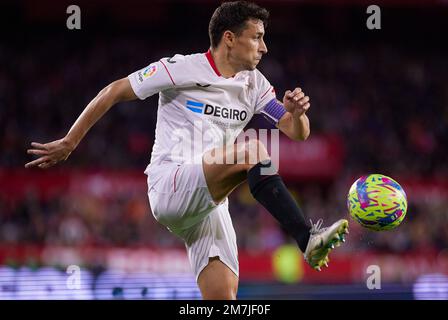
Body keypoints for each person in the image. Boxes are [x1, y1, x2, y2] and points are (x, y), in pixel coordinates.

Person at [25, 1, 349, 300]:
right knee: (251, 150)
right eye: (257, 37)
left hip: (208, 204)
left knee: (224, 298)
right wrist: (70, 141)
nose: (264, 47)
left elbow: (295, 132)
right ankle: (308, 238)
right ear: (230, 38)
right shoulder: (180, 68)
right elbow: (114, 91)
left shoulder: (254, 83)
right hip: (171, 183)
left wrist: (298, 114)